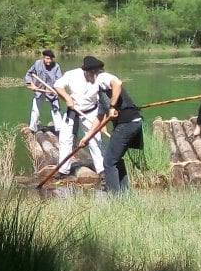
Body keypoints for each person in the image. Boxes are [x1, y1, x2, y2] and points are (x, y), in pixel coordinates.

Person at [93, 59, 143, 193]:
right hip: (133, 122)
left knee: (108, 163)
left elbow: (117, 83)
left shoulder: (102, 77)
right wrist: (86, 138)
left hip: (127, 123)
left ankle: (114, 197)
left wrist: (113, 106)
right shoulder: (100, 90)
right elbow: (99, 117)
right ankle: (125, 194)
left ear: (92, 72)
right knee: (116, 159)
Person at [52, 55, 106, 179]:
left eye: (96, 72)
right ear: (85, 71)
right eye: (91, 72)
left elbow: (104, 100)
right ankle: (63, 169)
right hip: (72, 112)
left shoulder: (100, 78)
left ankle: (101, 169)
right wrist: (67, 98)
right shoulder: (72, 75)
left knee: (95, 140)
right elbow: (57, 86)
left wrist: (102, 121)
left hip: (92, 112)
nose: (94, 75)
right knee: (65, 140)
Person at [24, 49, 63, 132]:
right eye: (47, 59)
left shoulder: (56, 66)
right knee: (35, 108)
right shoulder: (37, 63)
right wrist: (32, 85)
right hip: (39, 89)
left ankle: (59, 129)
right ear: (43, 58)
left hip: (52, 90)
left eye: (51, 59)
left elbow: (59, 80)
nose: (49, 61)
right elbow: (29, 74)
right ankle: (32, 128)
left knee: (56, 108)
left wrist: (57, 90)